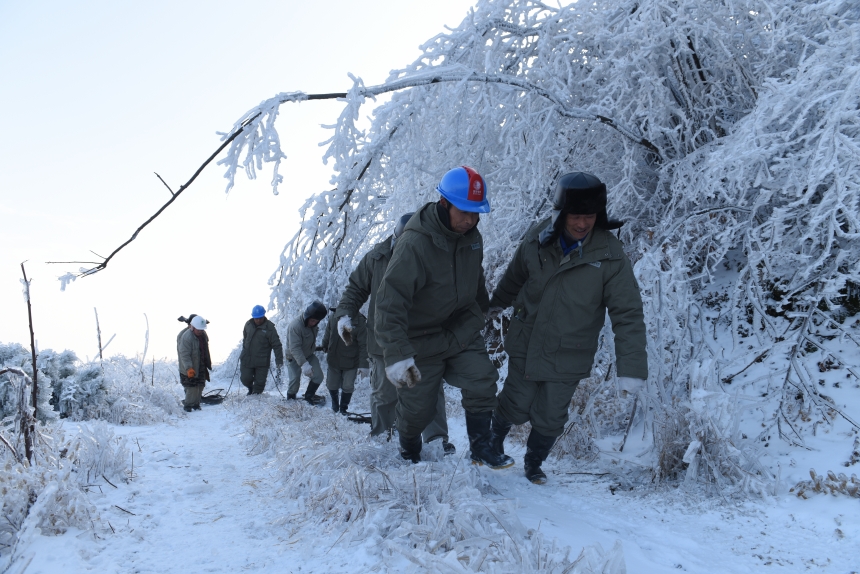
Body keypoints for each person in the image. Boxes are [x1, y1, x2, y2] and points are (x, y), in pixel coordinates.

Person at [488, 172, 648, 484]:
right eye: (575, 215)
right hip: (527, 342)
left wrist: (632, 366)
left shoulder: (610, 256)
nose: (581, 224)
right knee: (514, 403)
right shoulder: (537, 239)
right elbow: (513, 279)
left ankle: (534, 462)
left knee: (551, 416)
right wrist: (490, 309)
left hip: (569, 353)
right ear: (561, 214)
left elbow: (627, 313)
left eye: (589, 216)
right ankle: (491, 445)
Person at [374, 166, 513, 468]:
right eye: (464, 211)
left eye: (476, 213)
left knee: (482, 379)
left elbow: (475, 282)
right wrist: (397, 354)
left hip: (460, 331)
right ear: (444, 203)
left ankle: (480, 448)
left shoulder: (472, 238)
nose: (470, 220)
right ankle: (409, 447)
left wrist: (480, 312)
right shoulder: (415, 243)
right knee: (418, 412)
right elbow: (389, 302)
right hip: (421, 340)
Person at [335, 213, 455, 453]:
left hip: (424, 338)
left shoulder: (433, 254)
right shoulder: (376, 258)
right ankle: (383, 439)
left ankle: (436, 440)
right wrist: (344, 315)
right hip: (383, 339)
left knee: (430, 390)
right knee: (384, 392)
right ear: (396, 238)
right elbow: (356, 289)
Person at [321, 309, 368, 414]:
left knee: (348, 386)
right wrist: (325, 344)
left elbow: (364, 345)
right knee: (331, 384)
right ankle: (335, 405)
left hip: (351, 361)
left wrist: (363, 364)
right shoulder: (334, 317)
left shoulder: (360, 321)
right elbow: (328, 332)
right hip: (334, 358)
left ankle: (343, 409)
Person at [286, 300, 327, 404]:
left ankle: (309, 397)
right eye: (312, 320)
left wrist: (318, 348)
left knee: (318, 376)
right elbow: (294, 348)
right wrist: (304, 364)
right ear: (307, 316)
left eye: (316, 321)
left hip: (309, 355)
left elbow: (307, 342)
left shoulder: (313, 325)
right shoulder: (295, 326)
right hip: (294, 356)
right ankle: (290, 400)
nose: (314, 323)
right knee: (295, 380)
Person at [239, 305, 284, 395]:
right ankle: (250, 388)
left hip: (262, 361)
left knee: (260, 384)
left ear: (263, 316)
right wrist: (244, 352)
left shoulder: (270, 328)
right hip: (247, 359)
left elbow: (277, 345)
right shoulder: (248, 325)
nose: (258, 320)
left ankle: (256, 398)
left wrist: (279, 360)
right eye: (256, 318)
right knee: (245, 379)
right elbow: (245, 338)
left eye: (260, 318)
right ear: (253, 317)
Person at [177, 315, 212, 412]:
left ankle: (196, 404)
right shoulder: (186, 337)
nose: (200, 331)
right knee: (191, 387)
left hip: (200, 364)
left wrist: (207, 363)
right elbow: (184, 355)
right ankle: (188, 406)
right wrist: (189, 368)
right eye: (199, 330)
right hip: (190, 367)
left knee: (200, 385)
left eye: (202, 329)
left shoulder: (203, 335)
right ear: (192, 327)